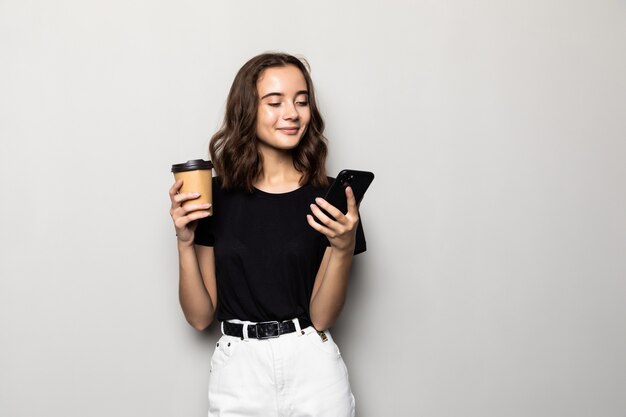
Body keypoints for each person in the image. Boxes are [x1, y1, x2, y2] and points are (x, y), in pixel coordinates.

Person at [168, 52, 367, 417]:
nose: (291, 113)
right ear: (248, 111)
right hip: (239, 371)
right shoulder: (214, 197)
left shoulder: (331, 198)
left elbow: (322, 317)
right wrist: (184, 241)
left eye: (301, 101)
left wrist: (343, 247)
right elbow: (199, 318)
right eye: (274, 102)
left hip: (313, 367)